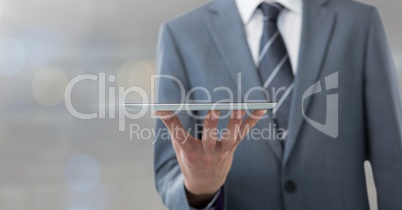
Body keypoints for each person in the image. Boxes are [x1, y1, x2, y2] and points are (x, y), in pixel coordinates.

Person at [153, 0, 402, 209]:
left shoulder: (358, 22)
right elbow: (169, 171)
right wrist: (199, 188)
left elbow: (392, 160)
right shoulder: (181, 35)